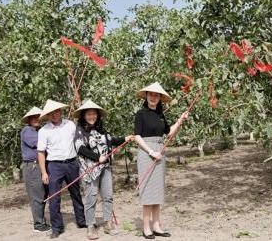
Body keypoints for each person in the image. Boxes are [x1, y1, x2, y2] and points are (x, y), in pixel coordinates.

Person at [73, 100, 136, 240]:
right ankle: (90, 226)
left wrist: (126, 138)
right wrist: (97, 157)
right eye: (89, 114)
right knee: (91, 197)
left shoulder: (101, 129)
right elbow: (80, 148)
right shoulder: (79, 130)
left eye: (94, 114)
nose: (92, 117)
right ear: (84, 115)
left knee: (108, 196)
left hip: (105, 167)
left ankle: (108, 223)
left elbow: (110, 140)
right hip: (89, 170)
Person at [134, 82, 187, 239]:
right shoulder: (140, 114)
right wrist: (150, 151)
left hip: (160, 153)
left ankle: (156, 226)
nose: (153, 97)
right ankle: (146, 228)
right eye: (151, 94)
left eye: (156, 95)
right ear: (147, 96)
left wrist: (180, 120)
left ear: (159, 98)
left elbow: (169, 133)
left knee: (157, 193)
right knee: (147, 193)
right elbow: (137, 136)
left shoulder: (160, 115)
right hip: (146, 153)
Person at [37, 99, 86, 238]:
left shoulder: (70, 125)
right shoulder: (43, 130)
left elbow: (79, 142)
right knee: (54, 197)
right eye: (51, 112)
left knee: (76, 193)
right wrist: (44, 172)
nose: (55, 114)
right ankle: (57, 228)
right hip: (54, 166)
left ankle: (81, 221)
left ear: (61, 111)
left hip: (72, 163)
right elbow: (40, 152)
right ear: (47, 115)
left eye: (57, 111)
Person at [20, 106, 50, 233]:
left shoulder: (40, 130)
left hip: (41, 165)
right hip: (32, 166)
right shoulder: (27, 131)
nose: (37, 119)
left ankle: (41, 221)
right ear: (29, 119)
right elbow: (41, 145)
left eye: (38, 117)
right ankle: (38, 224)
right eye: (34, 117)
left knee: (43, 194)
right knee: (37, 196)